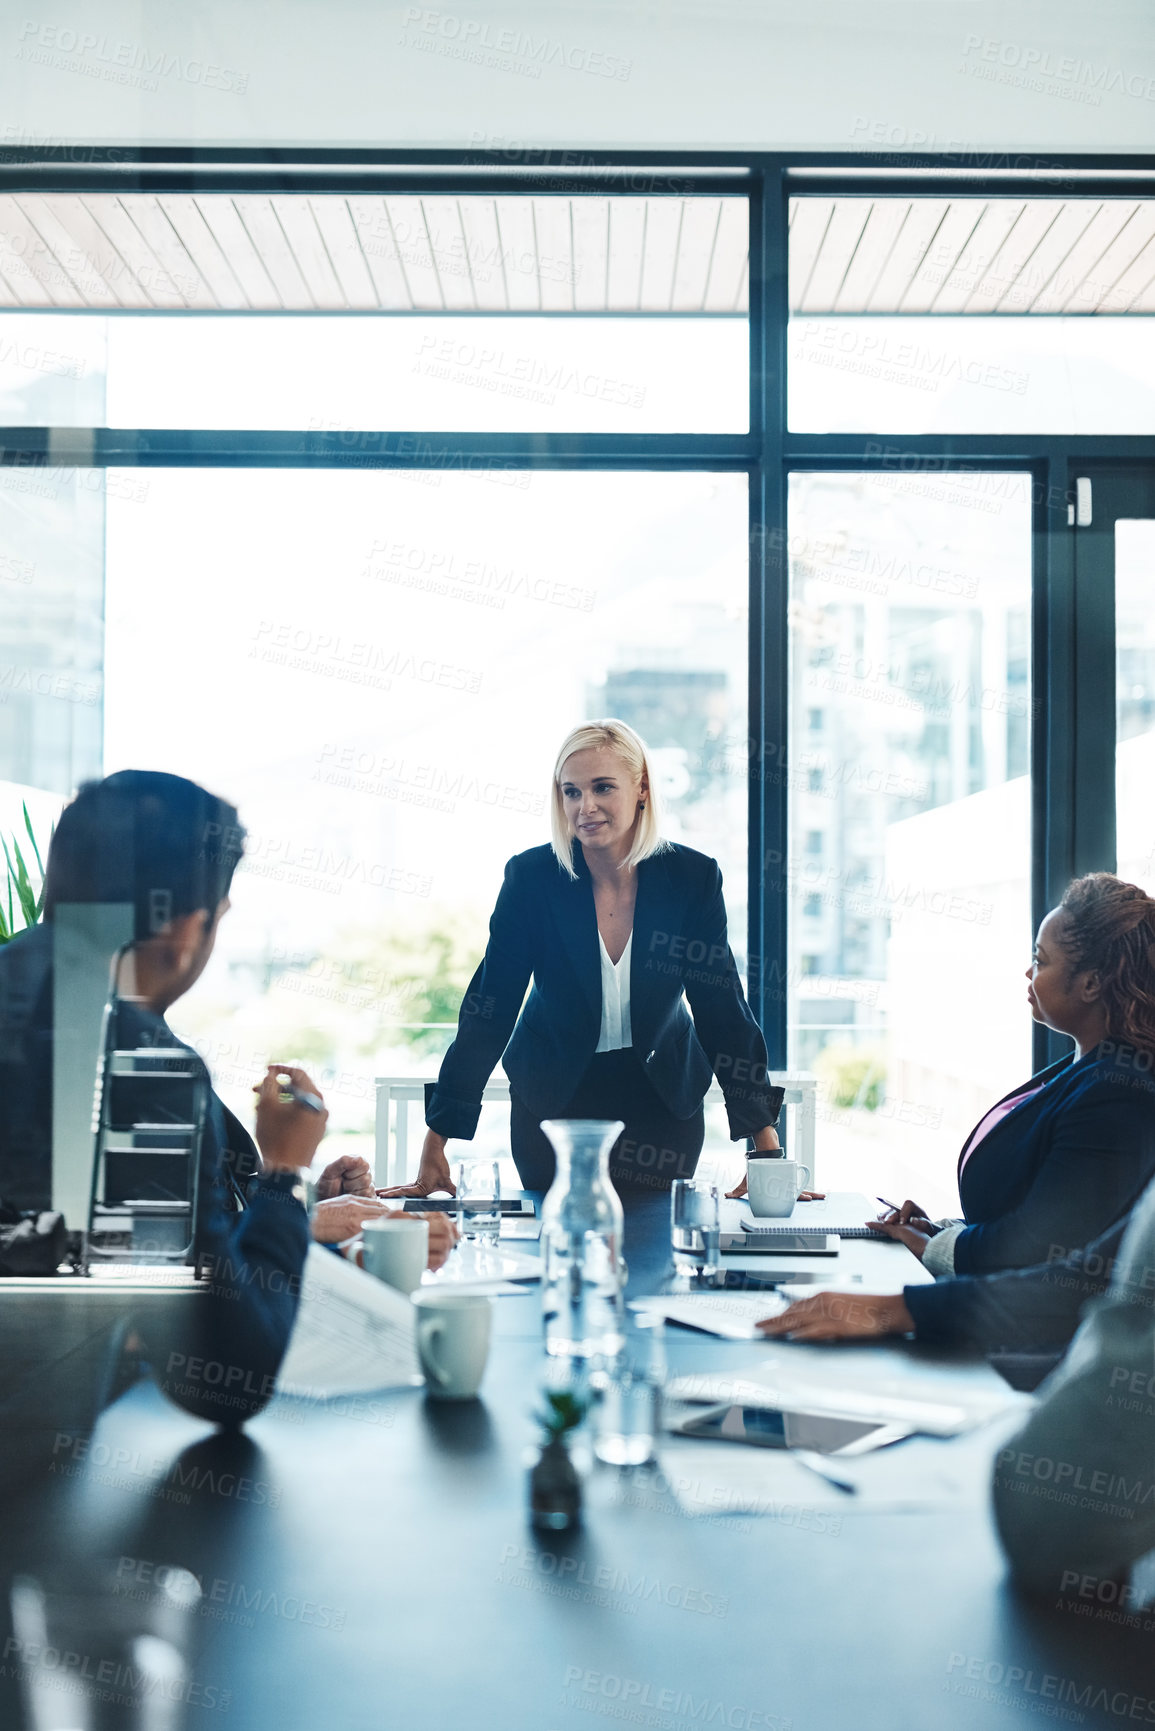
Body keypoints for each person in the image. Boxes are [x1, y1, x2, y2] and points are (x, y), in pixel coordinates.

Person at [0, 771, 453, 1426]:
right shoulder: (140, 1065)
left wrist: (294, 1208)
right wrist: (281, 1171)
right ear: (186, 931)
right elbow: (227, 1376)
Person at [383, 720, 784, 1198]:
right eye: (571, 792)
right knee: (555, 1250)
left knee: (656, 1253)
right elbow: (490, 1005)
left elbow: (722, 1009)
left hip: (660, 1103)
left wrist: (764, 1148)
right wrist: (437, 1140)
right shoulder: (532, 879)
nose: (584, 807)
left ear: (642, 789)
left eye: (602, 788)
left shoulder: (691, 878)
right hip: (552, 1104)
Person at [759, 874, 1155, 1346]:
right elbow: (1047, 1209)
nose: (1029, 973)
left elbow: (1046, 1255)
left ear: (1090, 983)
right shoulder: (1084, 1066)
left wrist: (913, 1286)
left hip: (1027, 1347)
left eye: (1039, 960)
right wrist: (943, 1231)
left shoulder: (1120, 1089)